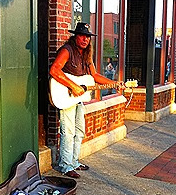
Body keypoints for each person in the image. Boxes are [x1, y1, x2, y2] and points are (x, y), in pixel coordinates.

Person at [49, 22, 124, 179]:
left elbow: (94, 76)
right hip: (66, 95)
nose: (85, 39)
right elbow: (54, 70)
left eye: (88, 37)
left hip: (78, 99)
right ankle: (65, 165)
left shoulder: (87, 55)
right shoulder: (67, 50)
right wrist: (73, 86)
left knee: (79, 130)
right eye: (82, 35)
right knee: (68, 132)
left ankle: (74, 162)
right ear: (75, 36)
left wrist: (114, 84)